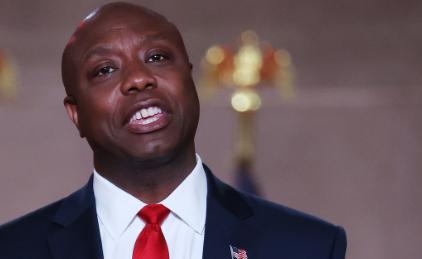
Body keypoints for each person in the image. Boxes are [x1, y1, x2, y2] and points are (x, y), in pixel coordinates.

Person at [0, 2, 347, 259]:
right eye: (105, 69)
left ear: (190, 79)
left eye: (157, 58)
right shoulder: (14, 249)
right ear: (75, 113)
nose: (138, 78)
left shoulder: (308, 246)